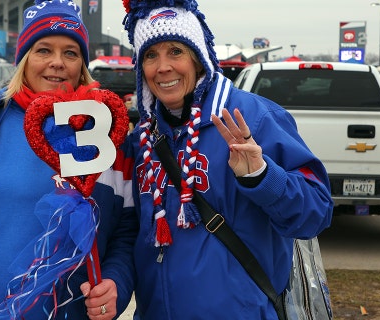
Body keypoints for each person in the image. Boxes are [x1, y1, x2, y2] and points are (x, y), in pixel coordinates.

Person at [0, 1, 137, 319]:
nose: (57, 63)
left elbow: (126, 233)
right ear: (24, 58)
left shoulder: (106, 140)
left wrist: (117, 284)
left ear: (82, 65)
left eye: (70, 53)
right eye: (44, 50)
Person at [121, 0, 334, 319]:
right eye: (151, 55)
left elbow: (316, 214)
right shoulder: (143, 139)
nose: (163, 67)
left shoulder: (253, 118)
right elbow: (127, 233)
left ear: (198, 57)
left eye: (175, 51)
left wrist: (262, 177)